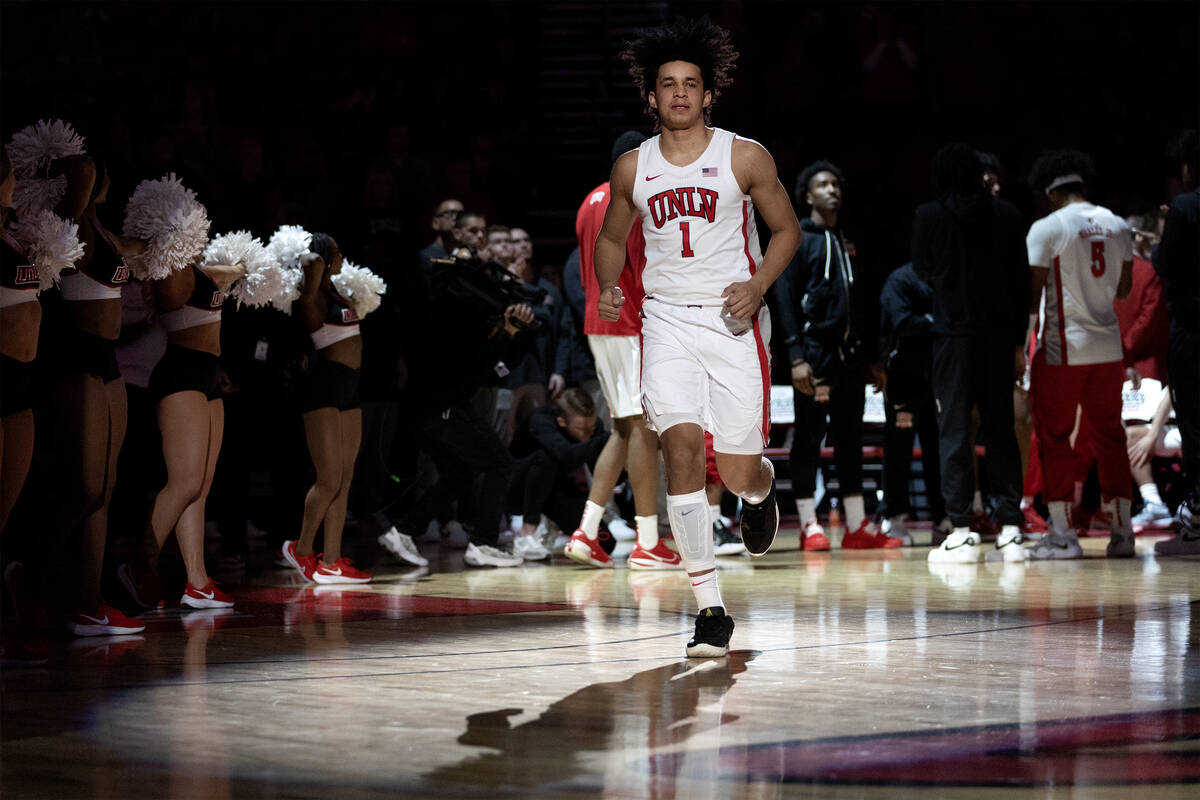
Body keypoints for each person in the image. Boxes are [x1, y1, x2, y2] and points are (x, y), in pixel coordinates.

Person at [596, 18, 801, 656]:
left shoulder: (745, 154)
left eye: (691, 84)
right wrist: (608, 284)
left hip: (732, 318)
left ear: (708, 94)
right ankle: (709, 607)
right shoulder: (633, 167)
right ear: (650, 98)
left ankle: (760, 488)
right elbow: (610, 238)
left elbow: (787, 231)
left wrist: (760, 284)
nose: (680, 93)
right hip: (666, 319)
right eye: (668, 85)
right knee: (679, 446)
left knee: (736, 470)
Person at [564, 130, 682, 571]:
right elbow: (646, 269)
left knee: (623, 428)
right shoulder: (631, 200)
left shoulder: (588, 201)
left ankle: (586, 531)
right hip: (630, 325)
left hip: (599, 325)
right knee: (645, 430)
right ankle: (648, 540)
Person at [913, 143, 1027, 564]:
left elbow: (922, 269)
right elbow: (1020, 284)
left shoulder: (929, 215)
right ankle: (1011, 529)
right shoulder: (1009, 215)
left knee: (954, 433)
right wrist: (1018, 342)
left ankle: (961, 529)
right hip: (998, 339)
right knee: (1001, 431)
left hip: (952, 337)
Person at [773, 160, 896, 550]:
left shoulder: (849, 240)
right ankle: (810, 525)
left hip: (852, 358)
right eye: (822, 185)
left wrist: (874, 357)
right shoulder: (797, 239)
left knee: (851, 439)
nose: (832, 190)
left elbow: (863, 303)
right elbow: (786, 302)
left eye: (835, 184)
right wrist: (795, 357)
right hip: (814, 355)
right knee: (808, 438)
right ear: (807, 196)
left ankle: (857, 526)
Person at [1024, 149, 1136, 559]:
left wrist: (1020, 349)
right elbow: (1123, 291)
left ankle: (1063, 535)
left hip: (1064, 348)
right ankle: (1123, 533)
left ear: (1050, 192)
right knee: (1110, 436)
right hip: (1108, 348)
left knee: (1054, 437)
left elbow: (1031, 295)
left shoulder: (1047, 227)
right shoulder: (1120, 225)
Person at [281, 234, 374, 584]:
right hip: (322, 388)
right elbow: (310, 266)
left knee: (345, 479)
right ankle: (301, 550)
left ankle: (332, 560)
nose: (340, 257)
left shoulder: (336, 293)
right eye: (335, 251)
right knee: (328, 478)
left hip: (349, 388)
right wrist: (316, 253)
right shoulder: (312, 298)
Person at [1153, 129, 1199, 555]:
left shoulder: (1185, 207)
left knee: (1194, 423)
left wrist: (1163, 237)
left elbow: (1165, 266)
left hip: (1193, 333)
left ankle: (1198, 516)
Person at [877, 262, 947, 544]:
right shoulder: (900, 279)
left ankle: (943, 517)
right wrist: (937, 322)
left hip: (936, 377)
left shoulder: (943, 276)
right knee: (898, 449)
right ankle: (893, 517)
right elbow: (900, 321)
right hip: (902, 379)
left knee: (938, 449)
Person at [509, 388, 609, 559]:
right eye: (581, 429)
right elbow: (566, 455)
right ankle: (527, 533)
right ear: (562, 422)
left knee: (605, 542)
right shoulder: (540, 419)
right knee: (545, 458)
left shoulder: (594, 428)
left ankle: (551, 525)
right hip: (516, 488)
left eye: (591, 429)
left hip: (554, 489)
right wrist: (605, 440)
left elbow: (596, 467)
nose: (588, 434)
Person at [417, 198, 463, 275]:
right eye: (451, 214)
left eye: (462, 215)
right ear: (436, 223)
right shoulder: (425, 257)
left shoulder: (463, 254)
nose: (458, 219)